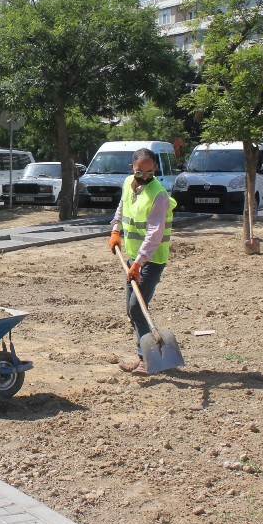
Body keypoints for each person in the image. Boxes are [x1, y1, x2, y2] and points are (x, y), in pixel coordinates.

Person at [106, 148, 176, 375]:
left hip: (151, 260)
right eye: (140, 172)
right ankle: (143, 356)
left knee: (137, 308)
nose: (145, 177)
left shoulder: (159, 195)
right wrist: (115, 231)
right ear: (132, 169)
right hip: (133, 258)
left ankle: (148, 359)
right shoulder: (128, 183)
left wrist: (140, 263)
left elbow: (155, 233)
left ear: (155, 169)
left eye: (149, 172)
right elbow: (122, 208)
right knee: (132, 309)